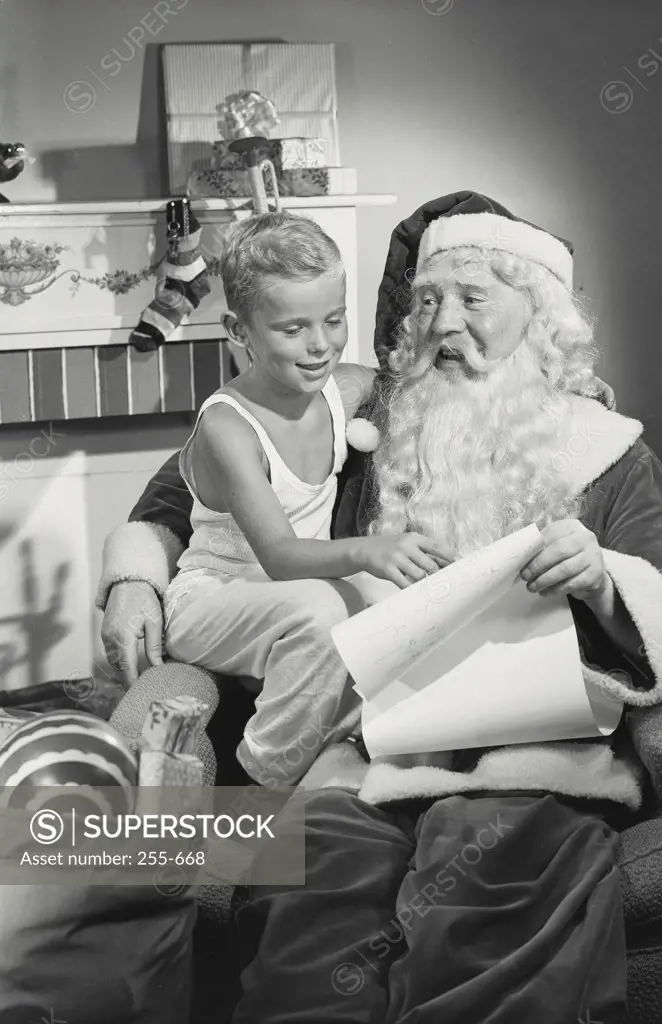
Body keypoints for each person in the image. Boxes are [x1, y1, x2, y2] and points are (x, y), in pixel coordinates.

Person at [98, 191, 662, 1022]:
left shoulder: (608, 457)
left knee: (489, 903)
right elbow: (189, 488)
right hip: (364, 751)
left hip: (531, 763)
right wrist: (133, 574)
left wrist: (604, 579)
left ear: (540, 320)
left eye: (473, 300)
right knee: (308, 911)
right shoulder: (367, 416)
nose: (443, 324)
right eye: (428, 301)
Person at [151, 210, 455, 786]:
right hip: (212, 599)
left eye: (333, 320)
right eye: (292, 330)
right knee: (322, 613)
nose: (320, 346)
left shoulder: (342, 389)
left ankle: (358, 746)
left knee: (399, 603)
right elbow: (281, 557)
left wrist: (560, 389)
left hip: (295, 594)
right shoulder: (228, 428)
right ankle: (258, 783)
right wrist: (369, 549)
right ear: (239, 331)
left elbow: (411, 375)